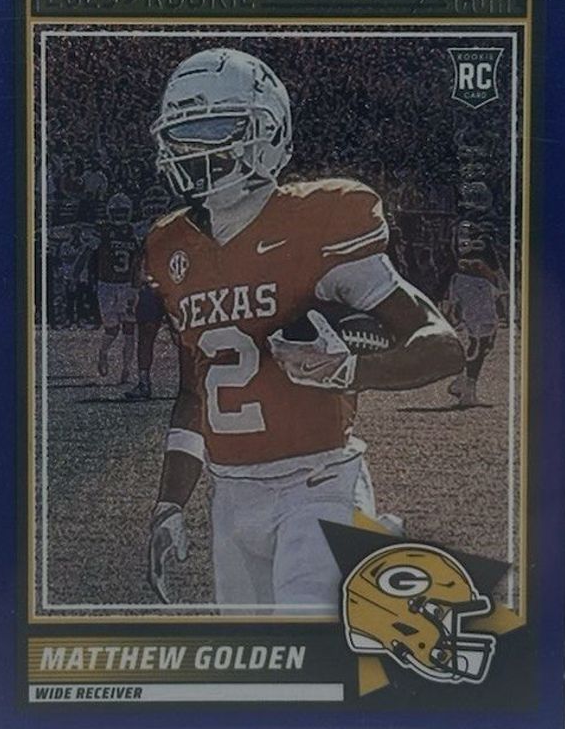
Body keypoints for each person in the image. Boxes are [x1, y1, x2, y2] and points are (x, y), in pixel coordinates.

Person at [144, 48, 464, 613]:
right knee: (258, 664)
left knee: (309, 643)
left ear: (268, 130)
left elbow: (442, 346)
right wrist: (170, 504)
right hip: (231, 497)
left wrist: (348, 370)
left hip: (318, 486)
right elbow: (195, 392)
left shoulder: (320, 220)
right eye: (184, 135)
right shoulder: (171, 246)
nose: (197, 150)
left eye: (216, 130)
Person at [445, 219, 500, 407]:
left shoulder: (457, 227)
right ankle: (468, 391)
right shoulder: (481, 231)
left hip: (462, 281)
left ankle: (462, 382)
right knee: (482, 340)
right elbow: (493, 265)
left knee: (483, 340)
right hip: (478, 284)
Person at [125, 187, 172, 401]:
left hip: (173, 285)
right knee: (146, 333)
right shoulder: (141, 229)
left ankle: (192, 382)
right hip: (151, 285)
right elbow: (137, 260)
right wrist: (133, 288)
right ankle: (143, 382)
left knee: (182, 336)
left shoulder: (177, 226)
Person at [95, 193, 139, 383]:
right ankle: (103, 352)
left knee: (129, 329)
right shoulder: (102, 231)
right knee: (111, 329)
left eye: (123, 211)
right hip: (106, 285)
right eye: (117, 211)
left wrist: (137, 285)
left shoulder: (134, 232)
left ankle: (126, 370)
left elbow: (138, 262)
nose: (120, 215)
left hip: (127, 285)